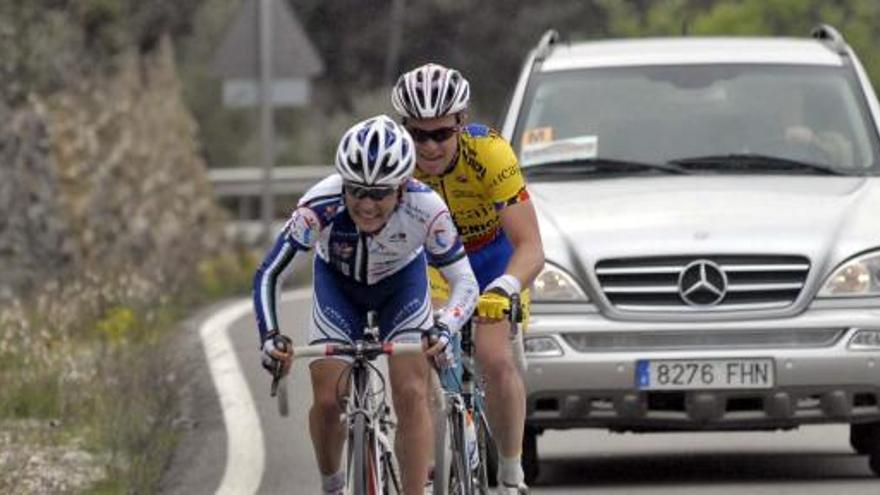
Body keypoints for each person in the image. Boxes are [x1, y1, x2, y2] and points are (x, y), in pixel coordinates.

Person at [252, 115, 479, 495]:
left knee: (410, 392)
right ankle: (333, 485)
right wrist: (270, 335)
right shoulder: (319, 204)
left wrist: (445, 326)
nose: (366, 204)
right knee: (327, 400)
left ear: (402, 189)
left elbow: (465, 282)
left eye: (380, 193)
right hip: (338, 287)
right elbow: (270, 274)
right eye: (356, 191)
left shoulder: (428, 209)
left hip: (401, 288)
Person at [392, 63, 545, 494]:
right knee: (414, 363)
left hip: (494, 260)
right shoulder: (398, 163)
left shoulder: (490, 152)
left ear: (461, 122)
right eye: (418, 134)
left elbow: (531, 247)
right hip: (434, 265)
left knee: (494, 357)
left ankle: (512, 476)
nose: (429, 146)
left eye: (440, 133)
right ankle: (421, 468)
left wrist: (506, 287)